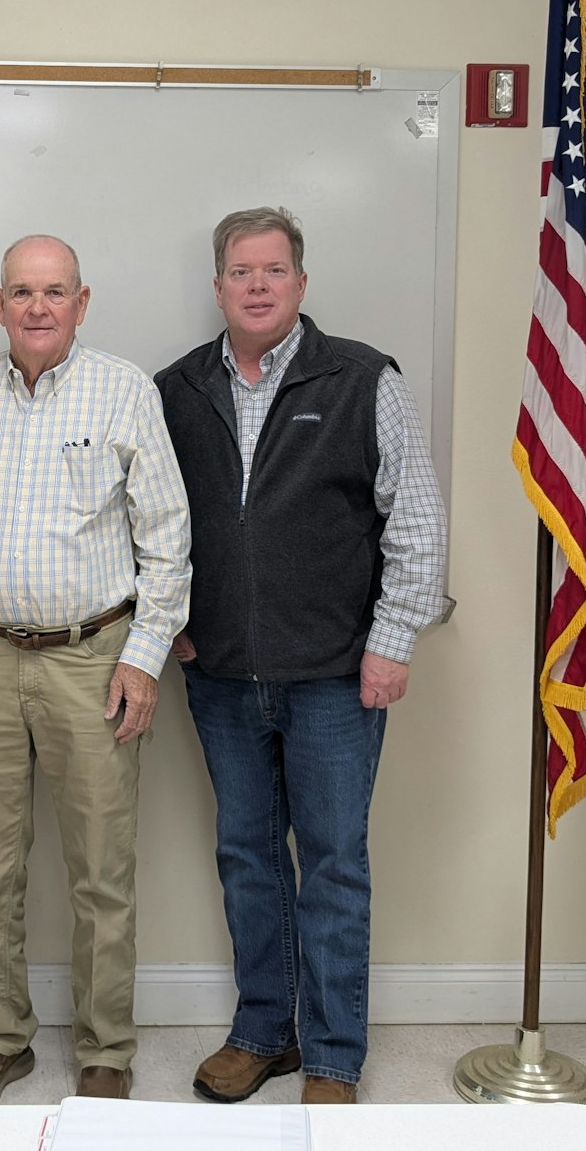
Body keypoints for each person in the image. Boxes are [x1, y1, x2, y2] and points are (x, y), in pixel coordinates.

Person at [155, 207, 447, 1106]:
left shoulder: (363, 377)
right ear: (218, 286)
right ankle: (261, 1033)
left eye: (273, 270)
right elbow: (146, 520)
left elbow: (419, 525)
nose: (256, 285)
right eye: (240, 271)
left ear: (300, 283)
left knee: (331, 861)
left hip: (335, 676)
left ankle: (330, 1055)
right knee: (247, 856)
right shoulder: (176, 388)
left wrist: (390, 644)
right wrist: (173, 626)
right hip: (223, 677)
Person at [0, 235, 191, 1105]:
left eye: (55, 291)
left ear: (82, 301)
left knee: (100, 867)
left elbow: (169, 543)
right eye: (22, 292)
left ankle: (106, 1050)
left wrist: (143, 661)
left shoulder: (124, 390)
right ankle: (0, 1038)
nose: (38, 307)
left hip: (93, 658)